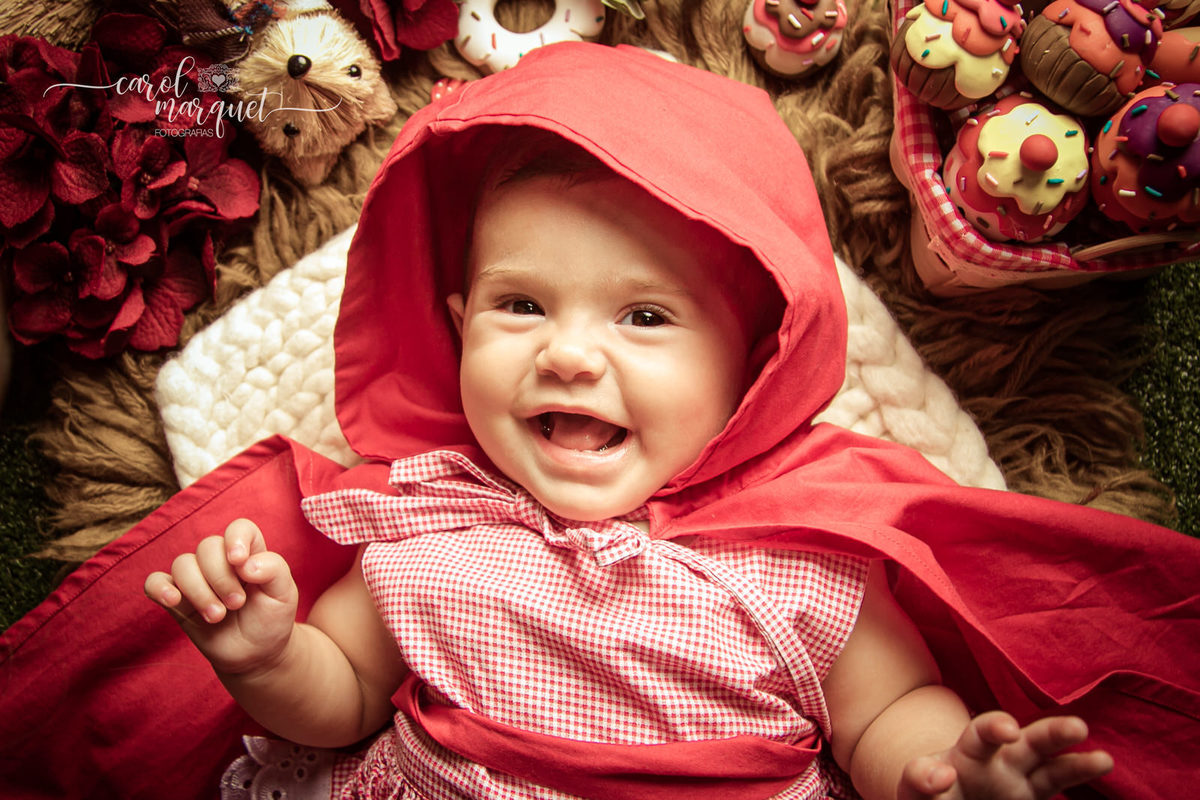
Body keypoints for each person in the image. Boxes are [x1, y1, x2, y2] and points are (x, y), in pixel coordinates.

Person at [139, 44, 1127, 800]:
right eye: (520, 305)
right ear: (456, 325)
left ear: (754, 361)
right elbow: (344, 693)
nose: (567, 354)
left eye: (645, 317)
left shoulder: (806, 553)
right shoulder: (427, 519)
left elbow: (891, 712)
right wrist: (268, 659)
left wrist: (940, 770)